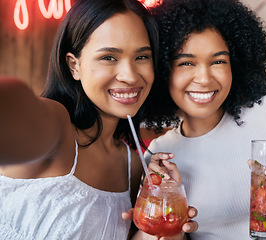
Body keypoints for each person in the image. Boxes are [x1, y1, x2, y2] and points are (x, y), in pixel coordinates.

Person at [0, 0, 197, 239]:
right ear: (74, 66)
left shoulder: (132, 167)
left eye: (142, 57)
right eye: (109, 57)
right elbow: (14, 107)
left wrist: (165, 226)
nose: (130, 75)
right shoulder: (55, 127)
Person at [144, 0, 266, 239]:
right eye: (186, 62)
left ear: (235, 65)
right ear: (163, 70)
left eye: (218, 61)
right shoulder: (160, 155)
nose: (205, 78)